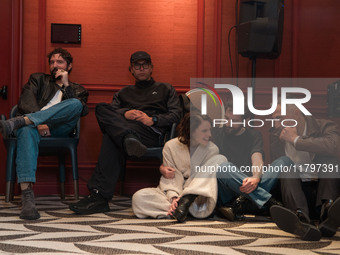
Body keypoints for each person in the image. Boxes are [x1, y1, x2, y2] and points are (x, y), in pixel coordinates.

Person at [69, 51, 182, 215]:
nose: (141, 68)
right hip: (129, 132)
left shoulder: (165, 89)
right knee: (101, 108)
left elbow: (176, 114)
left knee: (112, 137)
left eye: (145, 65)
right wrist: (125, 114)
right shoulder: (123, 93)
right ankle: (128, 138)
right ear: (131, 69)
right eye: (137, 65)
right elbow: (109, 115)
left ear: (151, 68)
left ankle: (99, 197)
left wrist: (153, 120)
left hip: (150, 133)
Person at [0, 48, 89, 220]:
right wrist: (39, 123)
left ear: (69, 66)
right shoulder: (38, 79)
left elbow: (81, 111)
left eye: (60, 62)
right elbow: (25, 102)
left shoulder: (78, 89)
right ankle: (27, 196)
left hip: (60, 130)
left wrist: (66, 85)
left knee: (76, 105)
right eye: (52, 62)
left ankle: (20, 121)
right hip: (35, 129)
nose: (55, 65)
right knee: (26, 130)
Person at [132, 112, 227, 222]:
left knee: (221, 159)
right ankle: (179, 209)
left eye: (210, 130)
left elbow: (201, 180)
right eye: (204, 131)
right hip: (172, 191)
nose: (209, 134)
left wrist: (184, 196)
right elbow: (170, 177)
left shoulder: (212, 149)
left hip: (196, 196)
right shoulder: (170, 146)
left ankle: (183, 206)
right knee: (139, 198)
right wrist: (173, 197)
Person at [269, 101, 340, 241]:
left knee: (330, 162)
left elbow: (334, 146)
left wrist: (296, 140)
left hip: (323, 190)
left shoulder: (324, 125)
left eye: (279, 118)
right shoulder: (277, 135)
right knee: (285, 169)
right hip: (297, 195)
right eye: (274, 119)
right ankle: (300, 220)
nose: (276, 124)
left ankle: (329, 214)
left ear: (296, 114)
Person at [212, 100, 287, 221]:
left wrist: (256, 177)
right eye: (226, 118)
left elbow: (257, 157)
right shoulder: (217, 133)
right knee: (223, 167)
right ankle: (269, 202)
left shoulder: (254, 135)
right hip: (228, 191)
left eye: (234, 121)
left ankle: (241, 203)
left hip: (249, 185)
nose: (228, 123)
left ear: (244, 121)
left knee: (284, 161)